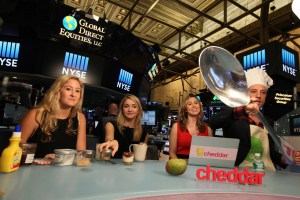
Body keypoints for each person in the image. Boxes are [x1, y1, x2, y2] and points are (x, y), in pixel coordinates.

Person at [209, 68, 300, 171]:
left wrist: (284, 159)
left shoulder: (268, 121)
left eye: (263, 92)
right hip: (240, 173)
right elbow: (213, 122)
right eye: (253, 91)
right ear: (245, 93)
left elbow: (268, 152)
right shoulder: (234, 114)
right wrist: (243, 110)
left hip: (267, 173)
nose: (258, 96)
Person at [20, 75, 87, 159]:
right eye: (68, 89)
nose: (73, 94)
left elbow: (81, 155)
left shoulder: (80, 118)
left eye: (77, 91)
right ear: (57, 91)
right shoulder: (35, 115)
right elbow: (15, 151)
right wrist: (41, 160)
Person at [99, 94, 148, 158]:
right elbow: (108, 139)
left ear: (138, 110)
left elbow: (143, 154)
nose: (130, 110)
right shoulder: (111, 125)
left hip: (133, 166)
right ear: (122, 109)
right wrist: (111, 141)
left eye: (134, 106)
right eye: (126, 106)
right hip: (113, 165)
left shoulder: (143, 131)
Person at [169, 95, 213, 160]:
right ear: (185, 109)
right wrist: (180, 165)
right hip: (180, 165)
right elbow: (172, 153)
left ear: (200, 107)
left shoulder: (208, 130)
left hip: (200, 167)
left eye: (196, 103)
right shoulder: (176, 127)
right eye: (189, 104)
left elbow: (210, 154)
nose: (194, 106)